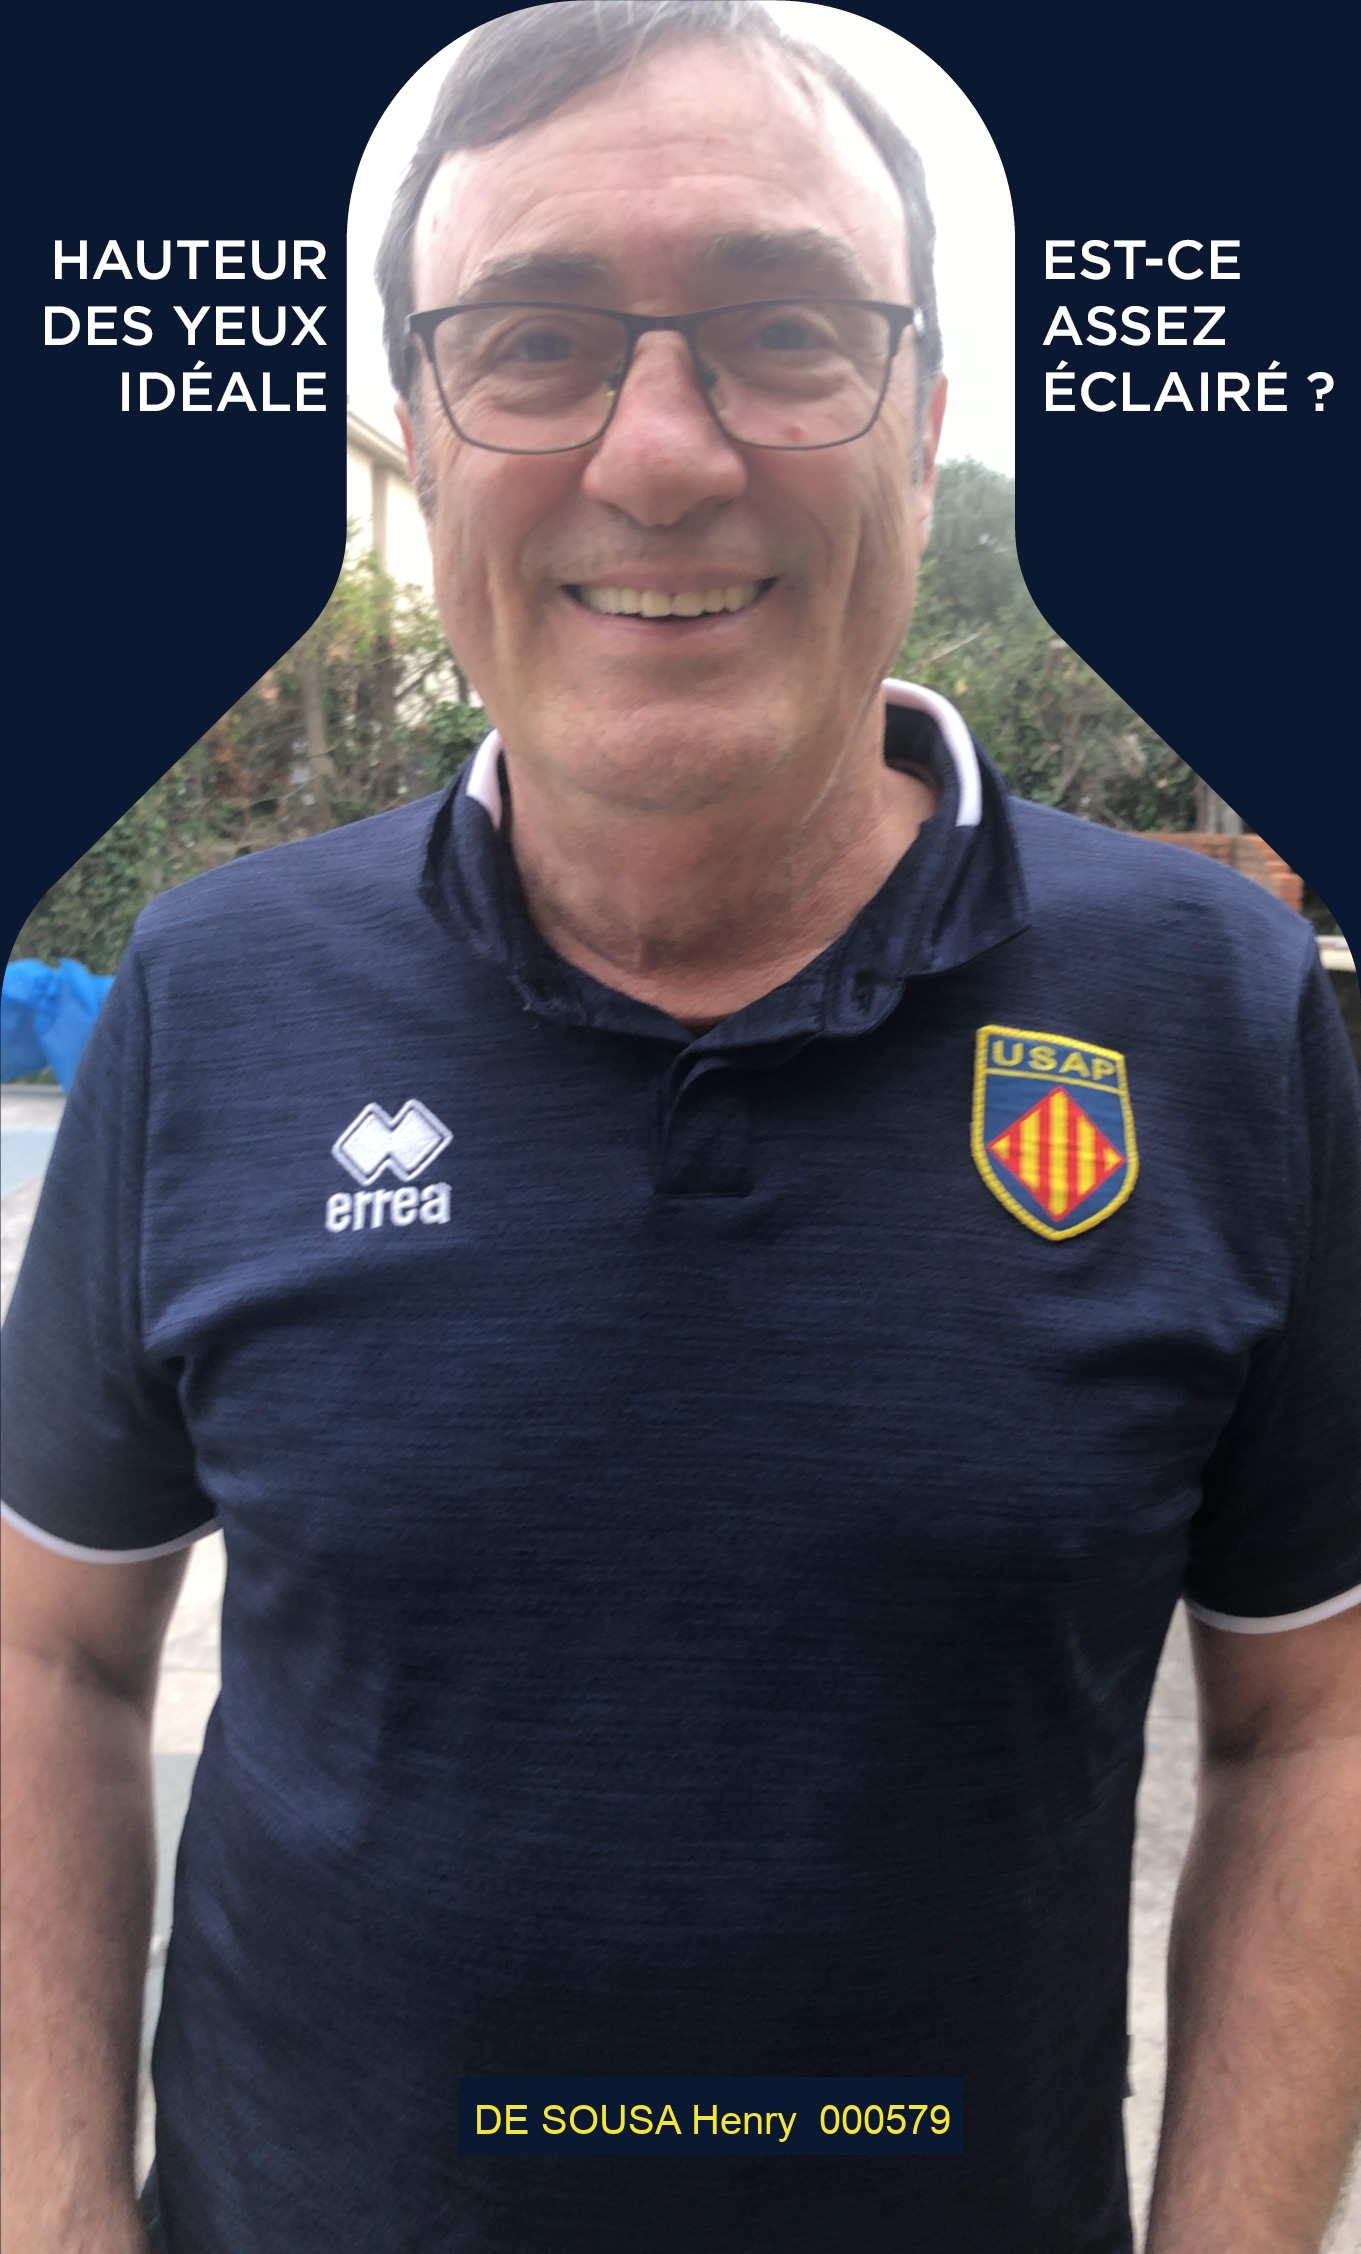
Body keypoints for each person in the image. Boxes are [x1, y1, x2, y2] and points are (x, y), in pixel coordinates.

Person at [3, 5, 1359, 2250]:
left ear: (928, 419)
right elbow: (47, 1652)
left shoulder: (1210, 1011)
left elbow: (1316, 1715)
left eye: (784, 327)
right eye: (532, 343)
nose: (658, 453)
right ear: (428, 429)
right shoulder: (213, 991)